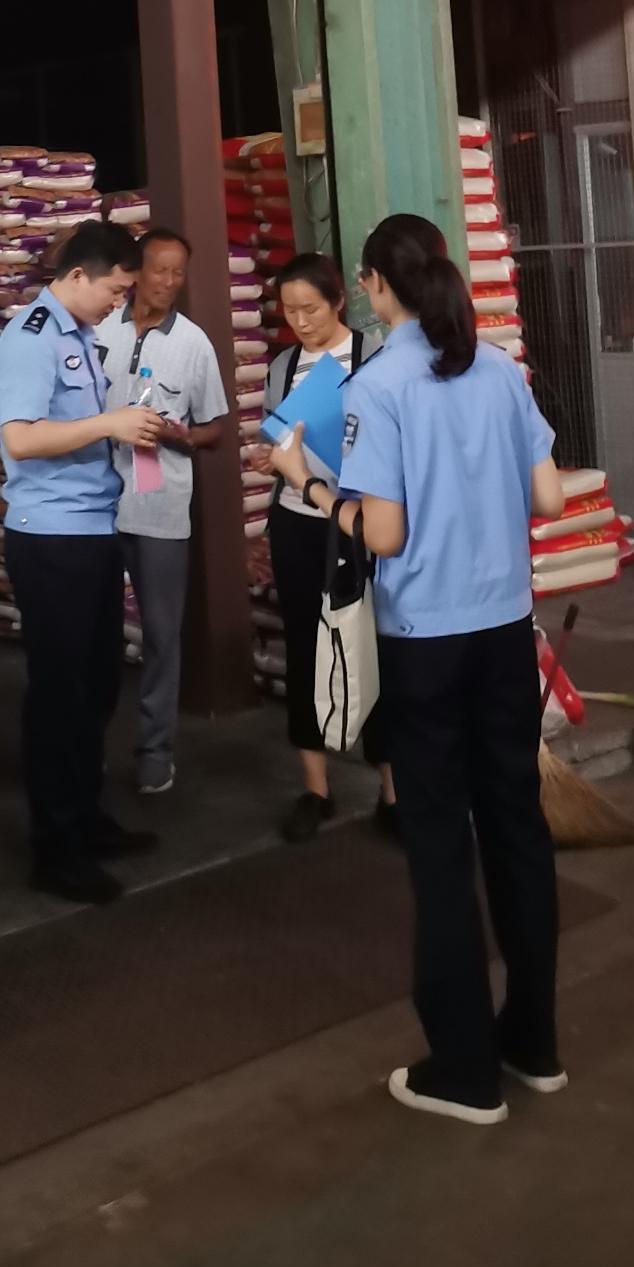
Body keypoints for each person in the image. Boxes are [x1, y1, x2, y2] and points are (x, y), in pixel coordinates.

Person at [271, 212, 565, 1129]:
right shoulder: (499, 368)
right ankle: (534, 1044)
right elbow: (550, 496)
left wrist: (312, 485)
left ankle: (465, 1071)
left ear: (371, 286)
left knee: (440, 846)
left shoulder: (379, 385)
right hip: (505, 630)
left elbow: (386, 533)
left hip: (425, 642)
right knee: (517, 826)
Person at [0, 219, 167, 906]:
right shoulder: (31, 337)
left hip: (92, 530)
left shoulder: (80, 338)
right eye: (115, 291)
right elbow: (20, 438)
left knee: (96, 686)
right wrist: (109, 424)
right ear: (76, 276)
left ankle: (87, 818)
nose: (119, 304)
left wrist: (127, 432)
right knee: (60, 694)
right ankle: (56, 847)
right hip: (50, 539)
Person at [244, 255, 395, 844]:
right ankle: (315, 788)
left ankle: (392, 790)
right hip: (297, 523)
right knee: (306, 649)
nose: (301, 322)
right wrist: (271, 459)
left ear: (338, 302)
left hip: (358, 523)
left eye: (311, 308)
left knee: (373, 649)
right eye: (290, 311)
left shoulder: (374, 359)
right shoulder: (282, 366)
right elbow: (277, 437)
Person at [94, 226, 230, 797]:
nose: (170, 282)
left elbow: (216, 427)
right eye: (159, 270)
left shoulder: (193, 344)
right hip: (96, 505)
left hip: (160, 507)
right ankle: (89, 749)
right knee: (94, 635)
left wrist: (183, 436)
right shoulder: (99, 327)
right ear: (136, 272)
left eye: (179, 272)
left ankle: (155, 751)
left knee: (161, 635)